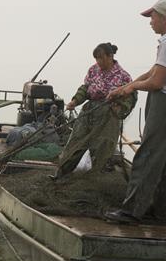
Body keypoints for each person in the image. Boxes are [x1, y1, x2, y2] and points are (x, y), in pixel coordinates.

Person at [104, 0, 166, 223]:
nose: (150, 22)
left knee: (147, 157)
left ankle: (132, 211)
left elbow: (157, 83)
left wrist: (133, 87)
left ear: (164, 18)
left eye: (152, 17)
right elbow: (153, 71)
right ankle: (159, 211)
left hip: (165, 105)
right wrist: (124, 88)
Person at [54, 42, 137, 178]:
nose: (98, 62)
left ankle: (95, 176)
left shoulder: (123, 76)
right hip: (90, 110)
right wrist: (75, 101)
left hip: (109, 114)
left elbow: (131, 96)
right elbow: (85, 89)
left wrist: (120, 107)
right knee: (77, 140)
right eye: (96, 59)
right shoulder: (93, 70)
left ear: (110, 56)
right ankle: (62, 172)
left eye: (101, 58)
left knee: (103, 145)